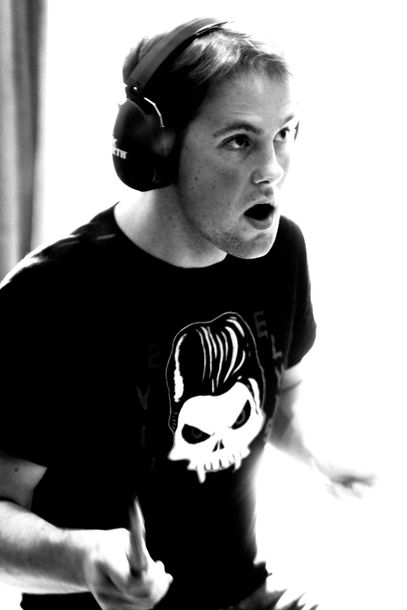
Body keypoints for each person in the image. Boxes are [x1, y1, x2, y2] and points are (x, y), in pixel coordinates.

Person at [0, 16, 373, 610]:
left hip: (243, 592)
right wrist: (82, 558)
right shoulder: (47, 297)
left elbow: (282, 392)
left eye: (284, 133)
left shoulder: (281, 251)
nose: (273, 168)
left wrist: (318, 451)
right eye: (240, 140)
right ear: (159, 148)